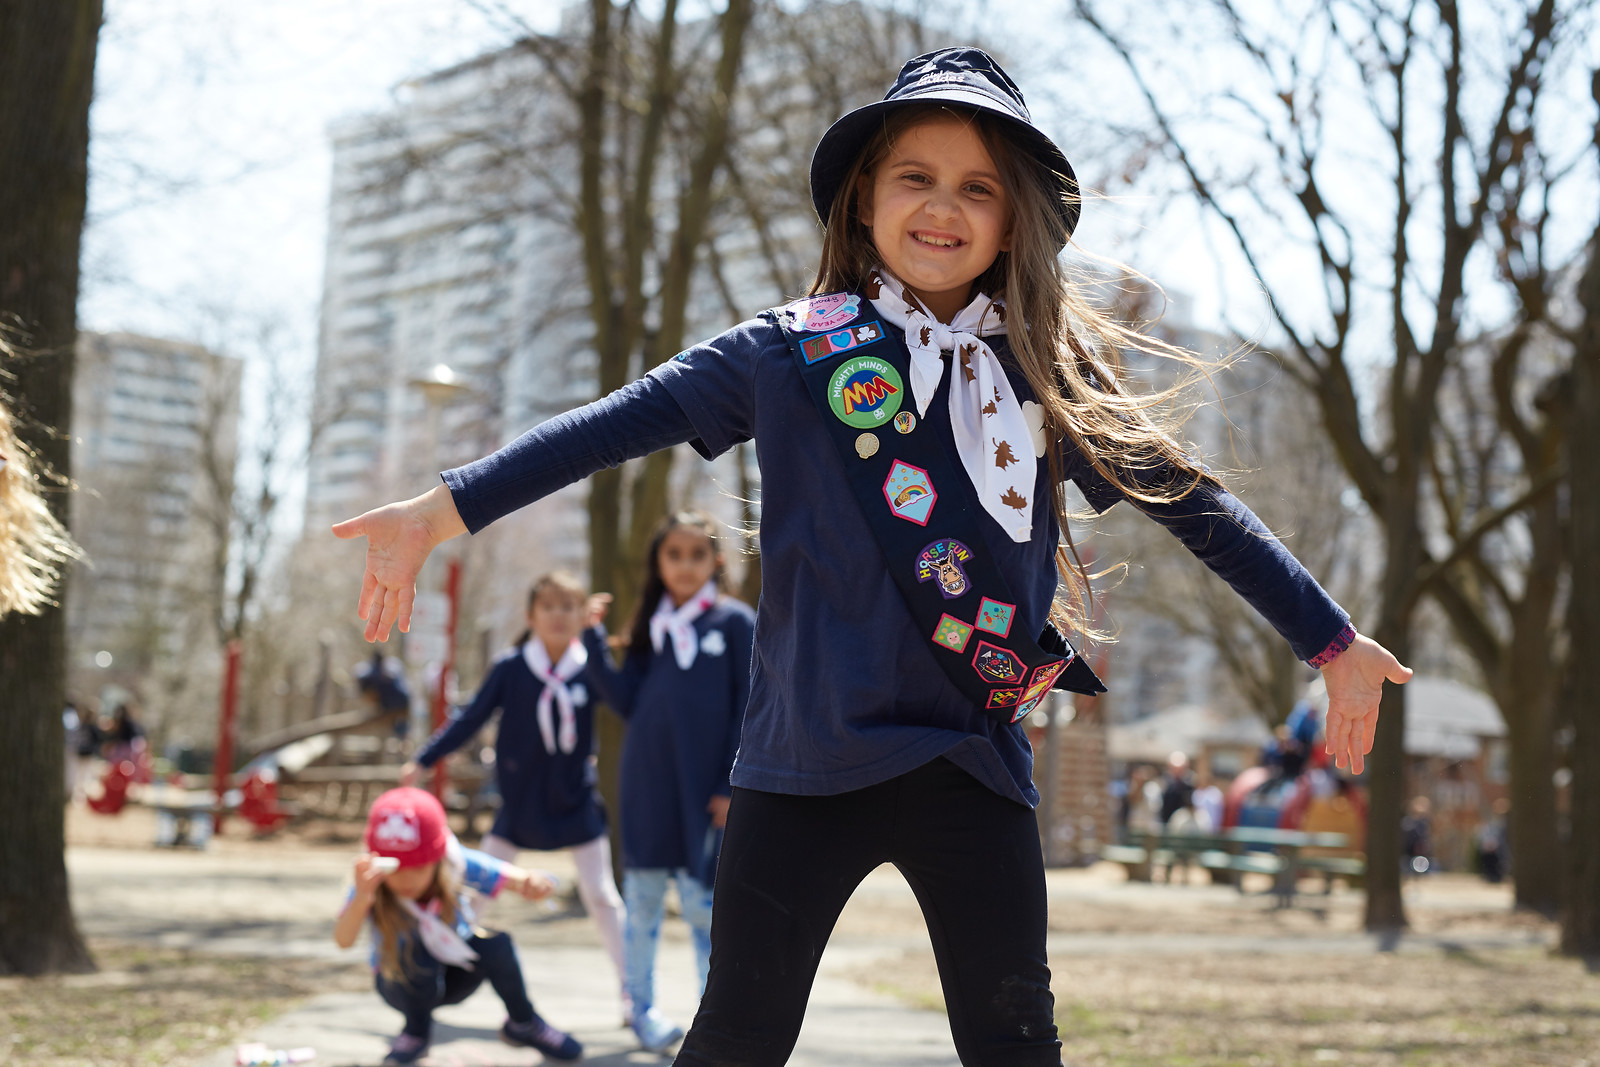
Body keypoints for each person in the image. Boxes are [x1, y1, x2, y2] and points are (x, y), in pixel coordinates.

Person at [333, 47, 1410, 1066]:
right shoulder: (785, 352)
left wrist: (1328, 636)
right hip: (802, 767)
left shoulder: (1049, 377)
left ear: (1014, 221)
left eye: (978, 187)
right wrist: (442, 509)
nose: (943, 206)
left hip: (972, 765)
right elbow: (615, 420)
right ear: (862, 196)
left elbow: (1190, 499)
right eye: (915, 176)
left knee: (1016, 1043)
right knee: (736, 1040)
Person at [399, 572, 629, 1018]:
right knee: (474, 896)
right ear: (531, 615)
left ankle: (632, 994)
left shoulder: (590, 664)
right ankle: (430, 984)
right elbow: (471, 719)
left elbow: (623, 703)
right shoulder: (511, 667)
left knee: (602, 896)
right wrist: (424, 759)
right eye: (549, 606)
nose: (559, 616)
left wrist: (597, 640)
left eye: (569, 606)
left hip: (575, 803)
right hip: (519, 804)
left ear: (581, 614)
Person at [582, 511, 756, 1052]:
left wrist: (730, 785)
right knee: (643, 904)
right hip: (647, 786)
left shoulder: (735, 623)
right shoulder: (649, 628)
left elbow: (747, 707)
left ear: (716, 561)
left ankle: (715, 1020)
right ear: (658, 563)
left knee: (705, 908)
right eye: (673, 555)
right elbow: (626, 701)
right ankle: (641, 1009)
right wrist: (591, 642)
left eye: (696, 555)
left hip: (705, 792)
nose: (684, 566)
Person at [333, 786, 582, 1064]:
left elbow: (509, 875)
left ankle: (523, 1024)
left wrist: (532, 883)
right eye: (397, 870)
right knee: (414, 949)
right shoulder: (371, 884)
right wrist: (362, 898)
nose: (407, 880)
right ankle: (416, 1032)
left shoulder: (454, 864)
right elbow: (343, 941)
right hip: (400, 983)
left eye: (418, 868)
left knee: (497, 944)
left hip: (452, 974)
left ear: (437, 859)